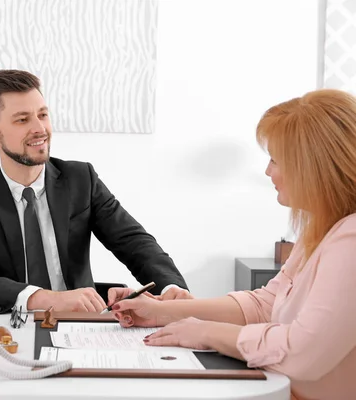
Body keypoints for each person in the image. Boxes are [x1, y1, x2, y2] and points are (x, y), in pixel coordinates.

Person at [107, 89, 356, 400]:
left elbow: (304, 353)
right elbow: (266, 304)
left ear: (313, 166)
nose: (268, 171)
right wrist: (163, 311)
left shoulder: (350, 238)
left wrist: (205, 333)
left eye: (276, 159)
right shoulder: (321, 226)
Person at [0, 69, 190, 314]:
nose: (39, 128)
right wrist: (42, 298)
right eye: (22, 119)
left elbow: (134, 242)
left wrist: (170, 287)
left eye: (43, 115)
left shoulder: (81, 179)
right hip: (9, 325)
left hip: (81, 323)